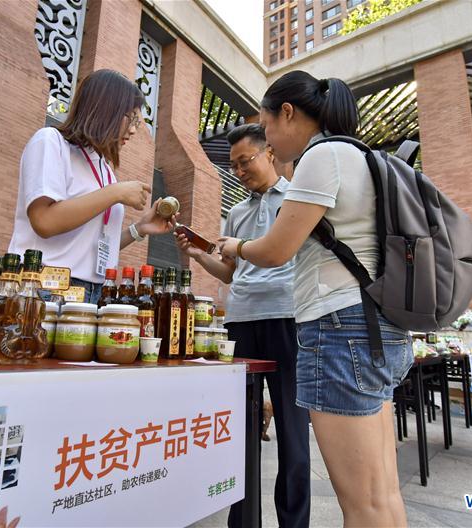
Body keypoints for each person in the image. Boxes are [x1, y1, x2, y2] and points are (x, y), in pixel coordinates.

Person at [218, 72, 412, 527]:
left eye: (265, 127)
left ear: (287, 113)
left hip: (340, 328)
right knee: (380, 495)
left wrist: (236, 247)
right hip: (373, 325)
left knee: (362, 504)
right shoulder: (358, 154)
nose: (267, 141)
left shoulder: (322, 156)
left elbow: (275, 249)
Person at [177, 124, 310, 527]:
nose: (239, 171)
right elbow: (232, 273)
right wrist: (198, 256)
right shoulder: (237, 212)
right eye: (233, 166)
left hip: (288, 317)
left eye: (245, 161)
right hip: (241, 322)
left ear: (270, 152)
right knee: (239, 433)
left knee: (292, 432)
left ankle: (293, 523)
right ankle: (242, 522)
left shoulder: (298, 199)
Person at [9, 69, 176, 303]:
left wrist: (140, 229)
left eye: (138, 122)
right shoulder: (50, 141)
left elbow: (92, 246)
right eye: (131, 118)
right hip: (43, 286)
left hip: (92, 291)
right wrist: (116, 193)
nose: (134, 129)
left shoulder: (104, 169)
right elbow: (44, 221)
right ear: (105, 109)